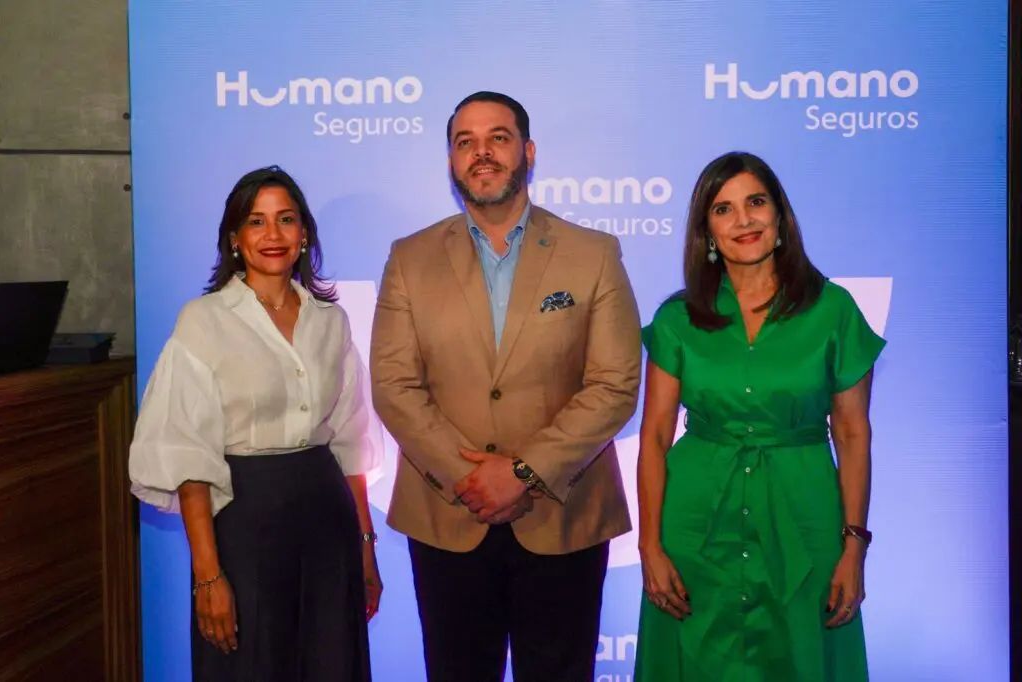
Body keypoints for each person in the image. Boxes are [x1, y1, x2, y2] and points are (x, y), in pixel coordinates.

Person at [370, 91, 641, 682]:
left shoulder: (593, 254)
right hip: (448, 515)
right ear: (451, 161)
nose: (482, 153)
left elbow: (615, 384)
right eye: (464, 142)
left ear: (528, 151)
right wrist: (471, 479)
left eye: (497, 137)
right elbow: (394, 385)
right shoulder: (409, 258)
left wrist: (521, 473)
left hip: (564, 515)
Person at [634, 152, 883, 681]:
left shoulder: (834, 310)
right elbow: (653, 436)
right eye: (723, 209)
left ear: (779, 215)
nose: (743, 220)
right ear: (706, 230)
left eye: (755, 202)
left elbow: (853, 433)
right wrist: (649, 546)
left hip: (805, 517)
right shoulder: (677, 318)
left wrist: (853, 546)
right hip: (695, 526)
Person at [129, 166, 382, 681]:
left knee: (331, 664)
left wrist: (365, 546)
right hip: (243, 523)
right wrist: (207, 576)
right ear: (234, 238)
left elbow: (351, 442)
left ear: (304, 233)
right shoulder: (203, 320)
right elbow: (187, 457)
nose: (272, 234)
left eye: (285, 219)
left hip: (328, 522)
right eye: (256, 221)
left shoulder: (331, 322)